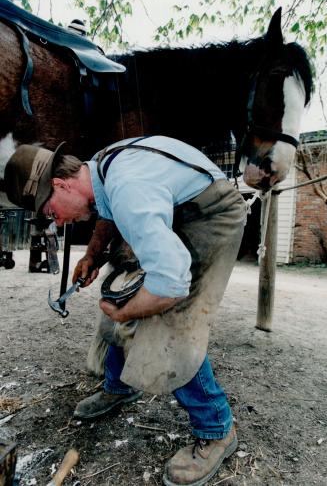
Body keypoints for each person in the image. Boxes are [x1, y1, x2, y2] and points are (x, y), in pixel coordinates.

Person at [4, 136, 247, 486]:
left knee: (170, 319)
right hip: (176, 207)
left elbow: (171, 282)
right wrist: (93, 254)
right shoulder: (100, 168)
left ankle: (216, 427)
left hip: (210, 215)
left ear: (60, 184)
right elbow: (107, 207)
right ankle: (119, 386)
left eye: (50, 212)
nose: (56, 221)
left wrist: (128, 313)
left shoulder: (129, 186)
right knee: (120, 287)